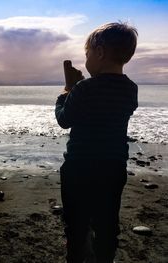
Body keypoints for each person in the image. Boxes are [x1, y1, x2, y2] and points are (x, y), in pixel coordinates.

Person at [55, 22, 138, 263]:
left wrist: (67, 90)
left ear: (100, 52)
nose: (87, 58)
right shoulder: (130, 89)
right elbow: (107, 106)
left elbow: (64, 120)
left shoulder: (83, 88)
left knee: (76, 222)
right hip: (113, 168)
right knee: (107, 220)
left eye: (87, 53)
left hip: (79, 168)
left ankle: (77, 255)